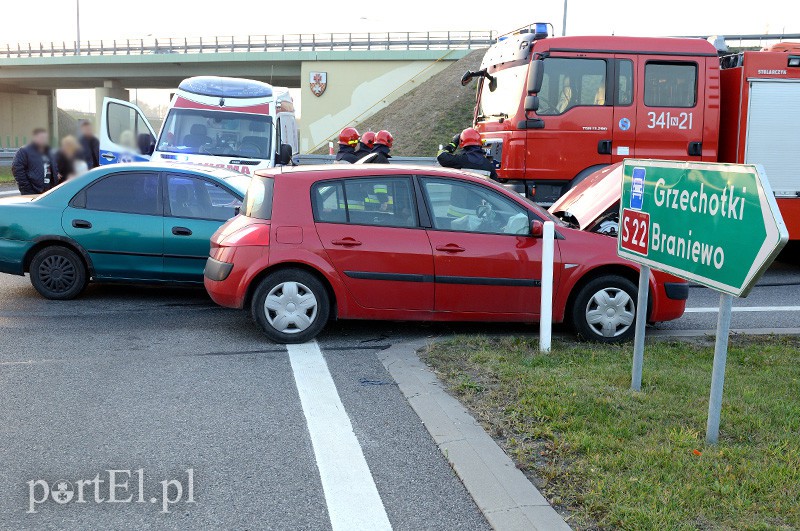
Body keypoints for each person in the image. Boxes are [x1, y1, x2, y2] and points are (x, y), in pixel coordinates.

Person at [11, 128, 53, 195]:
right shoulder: (24, 150)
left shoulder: (48, 151)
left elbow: (53, 166)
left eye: (45, 137)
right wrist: (26, 188)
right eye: (41, 137)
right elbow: (17, 169)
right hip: (32, 191)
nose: (43, 139)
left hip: (48, 190)